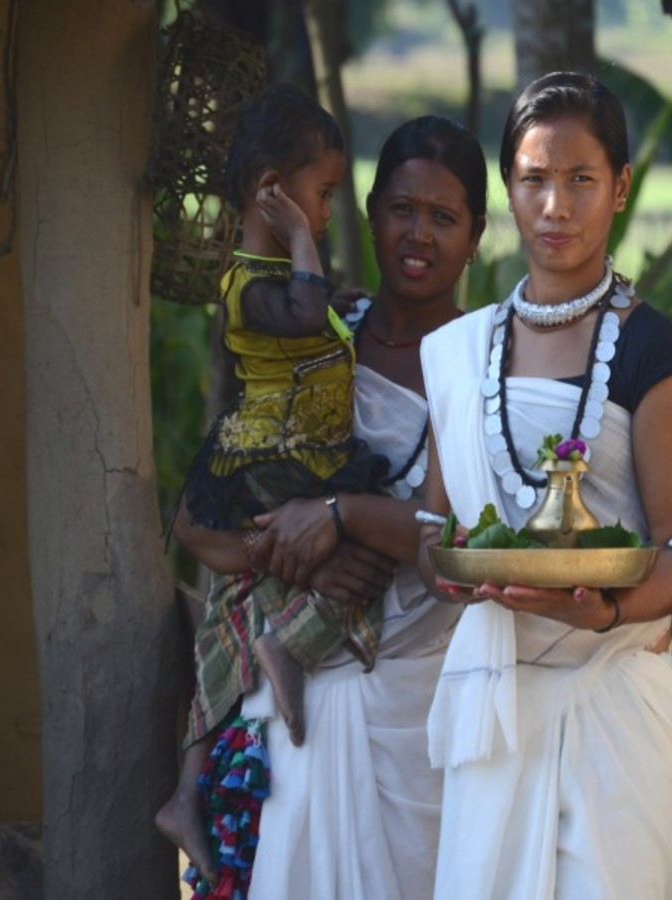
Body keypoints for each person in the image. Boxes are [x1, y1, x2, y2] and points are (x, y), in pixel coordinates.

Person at [169, 114, 487, 899]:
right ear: (368, 212)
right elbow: (198, 524)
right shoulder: (316, 339)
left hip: (415, 698)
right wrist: (296, 556)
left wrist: (341, 517)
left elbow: (467, 541)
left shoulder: (485, 366)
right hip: (293, 689)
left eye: (443, 217)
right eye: (401, 209)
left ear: (476, 237)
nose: (418, 234)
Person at [416, 71, 672, 900]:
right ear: (507, 189)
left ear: (620, 188)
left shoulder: (652, 352)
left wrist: (607, 611)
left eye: (580, 179)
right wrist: (448, 569)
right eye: (534, 179)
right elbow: (432, 527)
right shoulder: (464, 352)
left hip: (613, 702)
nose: (555, 206)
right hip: (496, 708)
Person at [157, 81, 388, 886]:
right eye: (320, 196)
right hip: (277, 456)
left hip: (285, 452)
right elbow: (302, 314)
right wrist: (298, 242)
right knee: (368, 550)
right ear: (273, 192)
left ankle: (185, 791)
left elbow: (314, 322)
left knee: (227, 612)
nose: (326, 214)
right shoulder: (252, 283)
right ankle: (289, 645)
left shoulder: (286, 282)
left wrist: (329, 290)